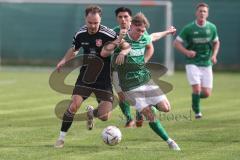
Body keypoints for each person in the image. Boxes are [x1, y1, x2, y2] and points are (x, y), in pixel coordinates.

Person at [101, 12, 180, 150]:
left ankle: (140, 111)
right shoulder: (122, 38)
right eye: (138, 30)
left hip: (145, 80)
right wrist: (120, 49)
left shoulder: (143, 37)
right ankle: (170, 142)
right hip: (129, 87)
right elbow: (105, 51)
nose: (141, 33)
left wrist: (168, 32)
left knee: (166, 108)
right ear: (131, 27)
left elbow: (153, 36)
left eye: (143, 31)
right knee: (150, 115)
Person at [54, 5, 126, 148]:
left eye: (96, 23)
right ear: (85, 19)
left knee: (105, 117)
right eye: (90, 22)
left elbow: (126, 45)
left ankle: (91, 113)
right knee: (74, 105)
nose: (93, 26)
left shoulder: (109, 33)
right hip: (86, 76)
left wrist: (123, 53)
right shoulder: (80, 33)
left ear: (100, 20)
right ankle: (61, 139)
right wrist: (63, 60)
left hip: (104, 79)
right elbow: (74, 49)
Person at [113, 7, 176, 128]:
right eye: (120, 17)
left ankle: (140, 111)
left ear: (130, 19)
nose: (123, 19)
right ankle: (129, 119)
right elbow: (106, 49)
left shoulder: (141, 30)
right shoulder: (114, 32)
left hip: (135, 73)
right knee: (122, 97)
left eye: (125, 17)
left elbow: (151, 42)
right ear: (117, 18)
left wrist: (143, 61)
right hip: (116, 70)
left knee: (140, 97)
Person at [173, 3, 220, 119]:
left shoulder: (212, 27)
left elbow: (216, 42)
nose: (202, 13)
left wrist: (214, 55)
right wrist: (187, 52)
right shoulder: (189, 28)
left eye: (204, 11)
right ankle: (198, 112)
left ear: (207, 14)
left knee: (206, 93)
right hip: (192, 63)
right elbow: (176, 43)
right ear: (196, 13)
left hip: (206, 63)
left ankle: (195, 98)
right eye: (200, 11)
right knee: (197, 88)